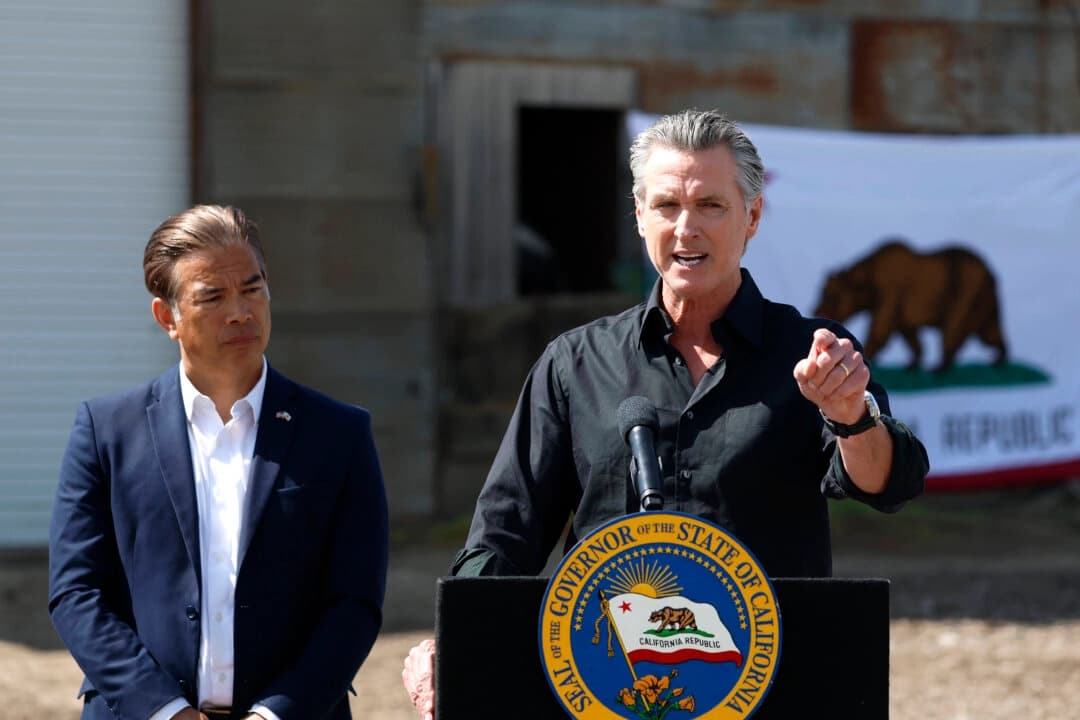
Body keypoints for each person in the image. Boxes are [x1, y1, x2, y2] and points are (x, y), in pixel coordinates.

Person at [402, 109, 929, 716]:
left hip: (767, 685)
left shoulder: (813, 353)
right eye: (666, 206)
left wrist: (848, 417)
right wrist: (461, 641)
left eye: (711, 205)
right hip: (603, 684)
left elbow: (889, 483)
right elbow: (505, 531)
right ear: (638, 215)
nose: (686, 228)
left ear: (752, 217)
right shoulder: (574, 362)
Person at [49, 205, 389, 720]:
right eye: (213, 296)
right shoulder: (106, 431)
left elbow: (355, 601)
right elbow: (77, 593)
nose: (241, 312)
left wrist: (275, 713)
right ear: (168, 317)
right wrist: (165, 709)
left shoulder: (338, 433)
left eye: (253, 288)